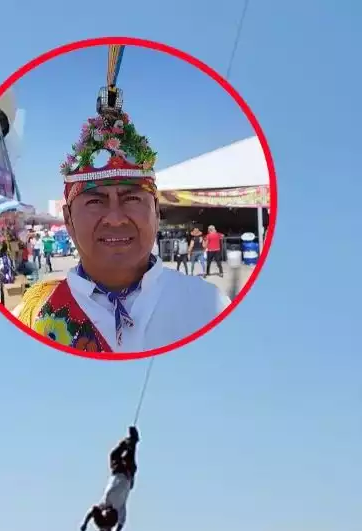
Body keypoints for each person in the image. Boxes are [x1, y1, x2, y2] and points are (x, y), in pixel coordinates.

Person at [12, 87, 230, 353]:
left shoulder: (209, 306)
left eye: (132, 199)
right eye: (95, 201)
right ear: (68, 219)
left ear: (157, 211)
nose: (115, 219)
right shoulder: (35, 317)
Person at [81, 426, 139, 531]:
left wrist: (85, 524)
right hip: (128, 474)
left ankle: (125, 443)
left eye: (105, 512)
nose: (107, 510)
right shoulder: (120, 509)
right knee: (130, 456)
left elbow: (92, 511)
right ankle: (133, 440)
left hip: (116, 470)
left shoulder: (105, 504)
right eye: (108, 513)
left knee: (114, 455)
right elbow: (121, 524)